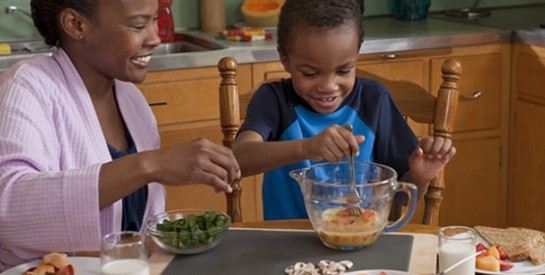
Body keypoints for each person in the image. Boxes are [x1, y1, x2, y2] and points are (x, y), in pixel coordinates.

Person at [0, 0, 239, 271]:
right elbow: (9, 209)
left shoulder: (131, 101)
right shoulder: (27, 86)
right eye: (138, 25)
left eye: (154, 20)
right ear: (76, 24)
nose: (155, 38)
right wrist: (150, 165)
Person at [233, 0, 456, 220]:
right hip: (287, 246)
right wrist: (306, 148)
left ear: (357, 54)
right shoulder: (274, 100)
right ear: (285, 60)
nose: (328, 86)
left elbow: (402, 198)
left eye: (344, 70)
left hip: (361, 240)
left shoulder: (374, 101)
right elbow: (238, 160)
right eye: (310, 73)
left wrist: (420, 176)